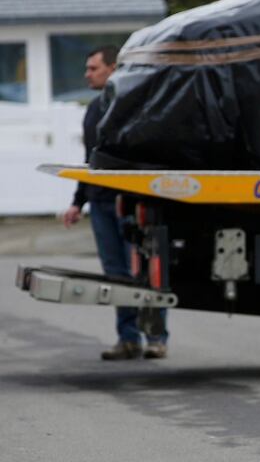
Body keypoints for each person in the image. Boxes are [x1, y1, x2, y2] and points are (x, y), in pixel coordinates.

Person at [62, 45, 169, 361]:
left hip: (130, 204)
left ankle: (156, 337)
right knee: (116, 275)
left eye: (93, 68)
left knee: (144, 273)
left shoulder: (132, 106)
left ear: (112, 69)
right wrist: (77, 202)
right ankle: (128, 339)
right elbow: (90, 162)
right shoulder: (94, 110)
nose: (87, 74)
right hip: (100, 204)